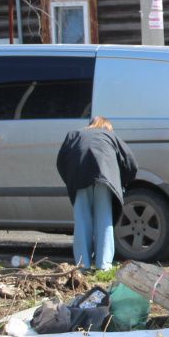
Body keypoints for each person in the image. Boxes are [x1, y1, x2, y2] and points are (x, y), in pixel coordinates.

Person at [56, 116, 137, 271]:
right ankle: (104, 265)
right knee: (104, 219)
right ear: (107, 127)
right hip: (105, 179)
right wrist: (121, 182)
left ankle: (82, 265)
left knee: (82, 220)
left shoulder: (74, 134)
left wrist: (71, 180)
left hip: (79, 178)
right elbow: (131, 163)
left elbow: (61, 161)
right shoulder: (111, 136)